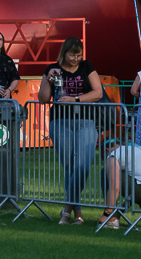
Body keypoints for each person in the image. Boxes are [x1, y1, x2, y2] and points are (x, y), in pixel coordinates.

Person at [37, 36, 103, 225]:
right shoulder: (52, 68)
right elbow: (43, 98)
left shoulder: (86, 66)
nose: (76, 59)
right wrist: (48, 80)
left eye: (79, 55)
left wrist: (75, 99)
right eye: (73, 55)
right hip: (60, 122)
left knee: (83, 166)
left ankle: (66, 208)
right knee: (69, 167)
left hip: (86, 121)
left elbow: (98, 93)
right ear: (64, 53)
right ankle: (77, 213)